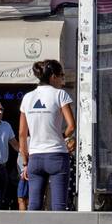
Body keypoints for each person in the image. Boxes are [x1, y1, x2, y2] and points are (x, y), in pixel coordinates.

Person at [19, 60, 75, 211]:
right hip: (57, 155)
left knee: (34, 205)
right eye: (61, 76)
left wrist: (25, 162)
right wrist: (61, 136)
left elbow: (22, 134)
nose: (62, 80)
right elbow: (71, 126)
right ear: (52, 77)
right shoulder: (60, 95)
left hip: (35, 158)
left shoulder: (27, 98)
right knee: (58, 206)